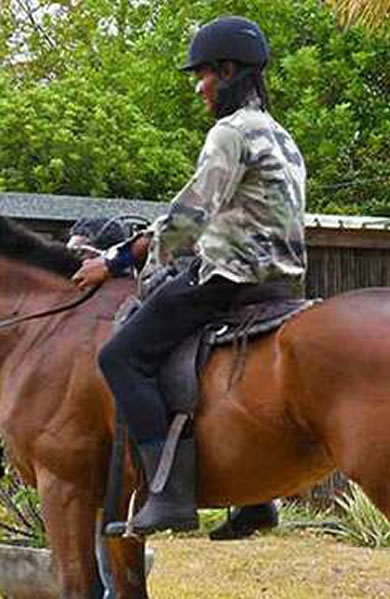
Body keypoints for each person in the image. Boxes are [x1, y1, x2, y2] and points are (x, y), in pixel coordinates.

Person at [73, 15, 307, 538]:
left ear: (229, 71)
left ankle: (168, 493)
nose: (199, 88)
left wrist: (118, 263)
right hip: (281, 283)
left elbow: (189, 217)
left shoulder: (230, 132)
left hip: (228, 276)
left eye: (203, 75)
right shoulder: (281, 135)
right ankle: (257, 499)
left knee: (121, 355)